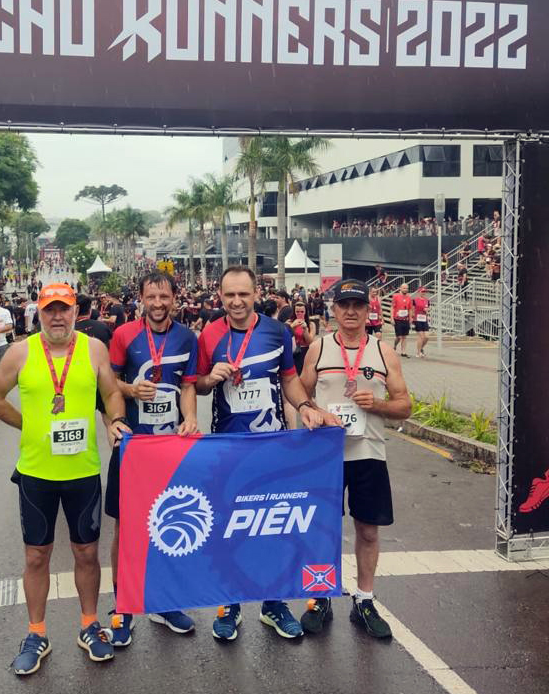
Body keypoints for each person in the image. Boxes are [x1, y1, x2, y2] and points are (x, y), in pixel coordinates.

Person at [0, 282, 130, 674]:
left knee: (86, 552)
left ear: (76, 312)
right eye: (50, 310)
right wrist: (27, 425)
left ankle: (89, 624)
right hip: (37, 474)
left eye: (65, 309)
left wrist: (116, 420)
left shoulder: (93, 349)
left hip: (83, 472)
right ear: (39, 314)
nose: (58, 316)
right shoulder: (20, 352)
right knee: (36, 556)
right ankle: (36, 632)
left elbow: (112, 393)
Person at [195, 266, 337, 642]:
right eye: (229, 295)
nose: (237, 301)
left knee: (272, 528)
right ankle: (230, 606)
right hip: (228, 446)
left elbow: (288, 378)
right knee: (229, 528)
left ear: (256, 292)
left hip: (271, 446)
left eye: (244, 294)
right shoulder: (209, 334)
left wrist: (306, 405)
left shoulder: (277, 331)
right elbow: (198, 385)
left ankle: (273, 605)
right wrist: (212, 377)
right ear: (220, 296)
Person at [299, 279, 411, 639]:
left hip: (368, 453)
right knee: (321, 528)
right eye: (344, 304)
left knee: (367, 529)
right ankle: (320, 597)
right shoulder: (317, 348)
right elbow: (299, 391)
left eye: (357, 305)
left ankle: (364, 599)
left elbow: (404, 405)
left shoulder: (383, 352)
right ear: (333, 310)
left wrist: (376, 405)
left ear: (368, 310)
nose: (350, 311)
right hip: (325, 455)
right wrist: (312, 411)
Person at [106, 272, 200, 645]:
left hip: (169, 449)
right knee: (126, 527)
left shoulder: (186, 337)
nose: (158, 303)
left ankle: (163, 601)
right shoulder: (123, 335)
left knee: (168, 524)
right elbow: (108, 384)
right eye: (151, 297)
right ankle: (122, 606)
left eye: (164, 296)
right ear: (141, 298)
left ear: (175, 298)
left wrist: (190, 416)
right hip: (132, 447)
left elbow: (188, 385)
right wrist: (131, 389)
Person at [287, 300, 315, 376]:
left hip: (306, 352)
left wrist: (305, 329)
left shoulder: (311, 324)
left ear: (305, 312)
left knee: (306, 375)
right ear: (294, 312)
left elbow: (310, 341)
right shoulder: (289, 323)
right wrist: (292, 327)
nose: (299, 314)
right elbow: (283, 337)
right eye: (297, 312)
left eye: (302, 312)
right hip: (293, 352)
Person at [391, 283, 412, 357]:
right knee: (399, 337)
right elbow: (392, 307)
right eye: (404, 288)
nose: (405, 290)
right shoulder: (395, 296)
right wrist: (392, 318)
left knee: (404, 336)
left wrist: (410, 318)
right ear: (400, 288)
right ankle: (395, 345)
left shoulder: (409, 297)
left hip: (405, 319)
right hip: (397, 319)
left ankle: (403, 351)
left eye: (406, 288)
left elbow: (410, 309)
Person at [412, 288, 430, 358]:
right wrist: (412, 318)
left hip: (424, 319)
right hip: (417, 319)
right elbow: (412, 309)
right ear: (419, 292)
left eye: (424, 291)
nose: (423, 293)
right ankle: (418, 352)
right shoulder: (415, 300)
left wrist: (427, 310)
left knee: (427, 337)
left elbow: (428, 309)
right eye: (422, 291)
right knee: (421, 336)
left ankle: (421, 348)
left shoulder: (427, 300)